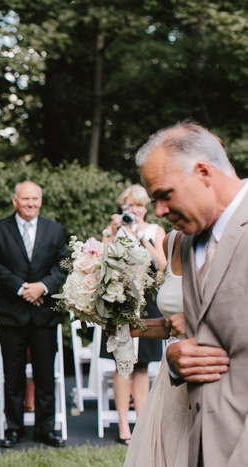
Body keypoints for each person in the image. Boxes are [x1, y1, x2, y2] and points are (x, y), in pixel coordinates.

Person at [137, 122, 242, 467]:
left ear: (203, 173)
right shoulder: (187, 239)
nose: (159, 212)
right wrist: (176, 361)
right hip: (195, 438)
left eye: (165, 194)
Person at [0, 181, 67, 448]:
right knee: (13, 376)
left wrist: (42, 287)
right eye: (25, 199)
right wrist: (22, 289)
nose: (30, 203)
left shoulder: (55, 230)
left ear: (40, 201)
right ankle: (14, 429)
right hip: (12, 314)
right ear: (15, 201)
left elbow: (63, 265)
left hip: (45, 314)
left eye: (35, 199)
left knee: (45, 376)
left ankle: (46, 429)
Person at [99, 184, 166, 445]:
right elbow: (100, 259)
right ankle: (123, 424)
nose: (134, 210)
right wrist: (115, 232)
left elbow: (162, 264)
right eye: (129, 206)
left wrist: (141, 237)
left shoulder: (155, 230)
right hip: (120, 298)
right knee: (122, 365)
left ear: (146, 207)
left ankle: (142, 422)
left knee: (143, 366)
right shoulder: (114, 228)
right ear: (122, 208)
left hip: (147, 300)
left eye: (138, 205)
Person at [124, 230, 191, 466]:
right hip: (172, 374)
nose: (162, 209)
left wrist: (193, 322)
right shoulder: (170, 241)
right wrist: (129, 327)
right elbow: (172, 325)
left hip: (210, 368)